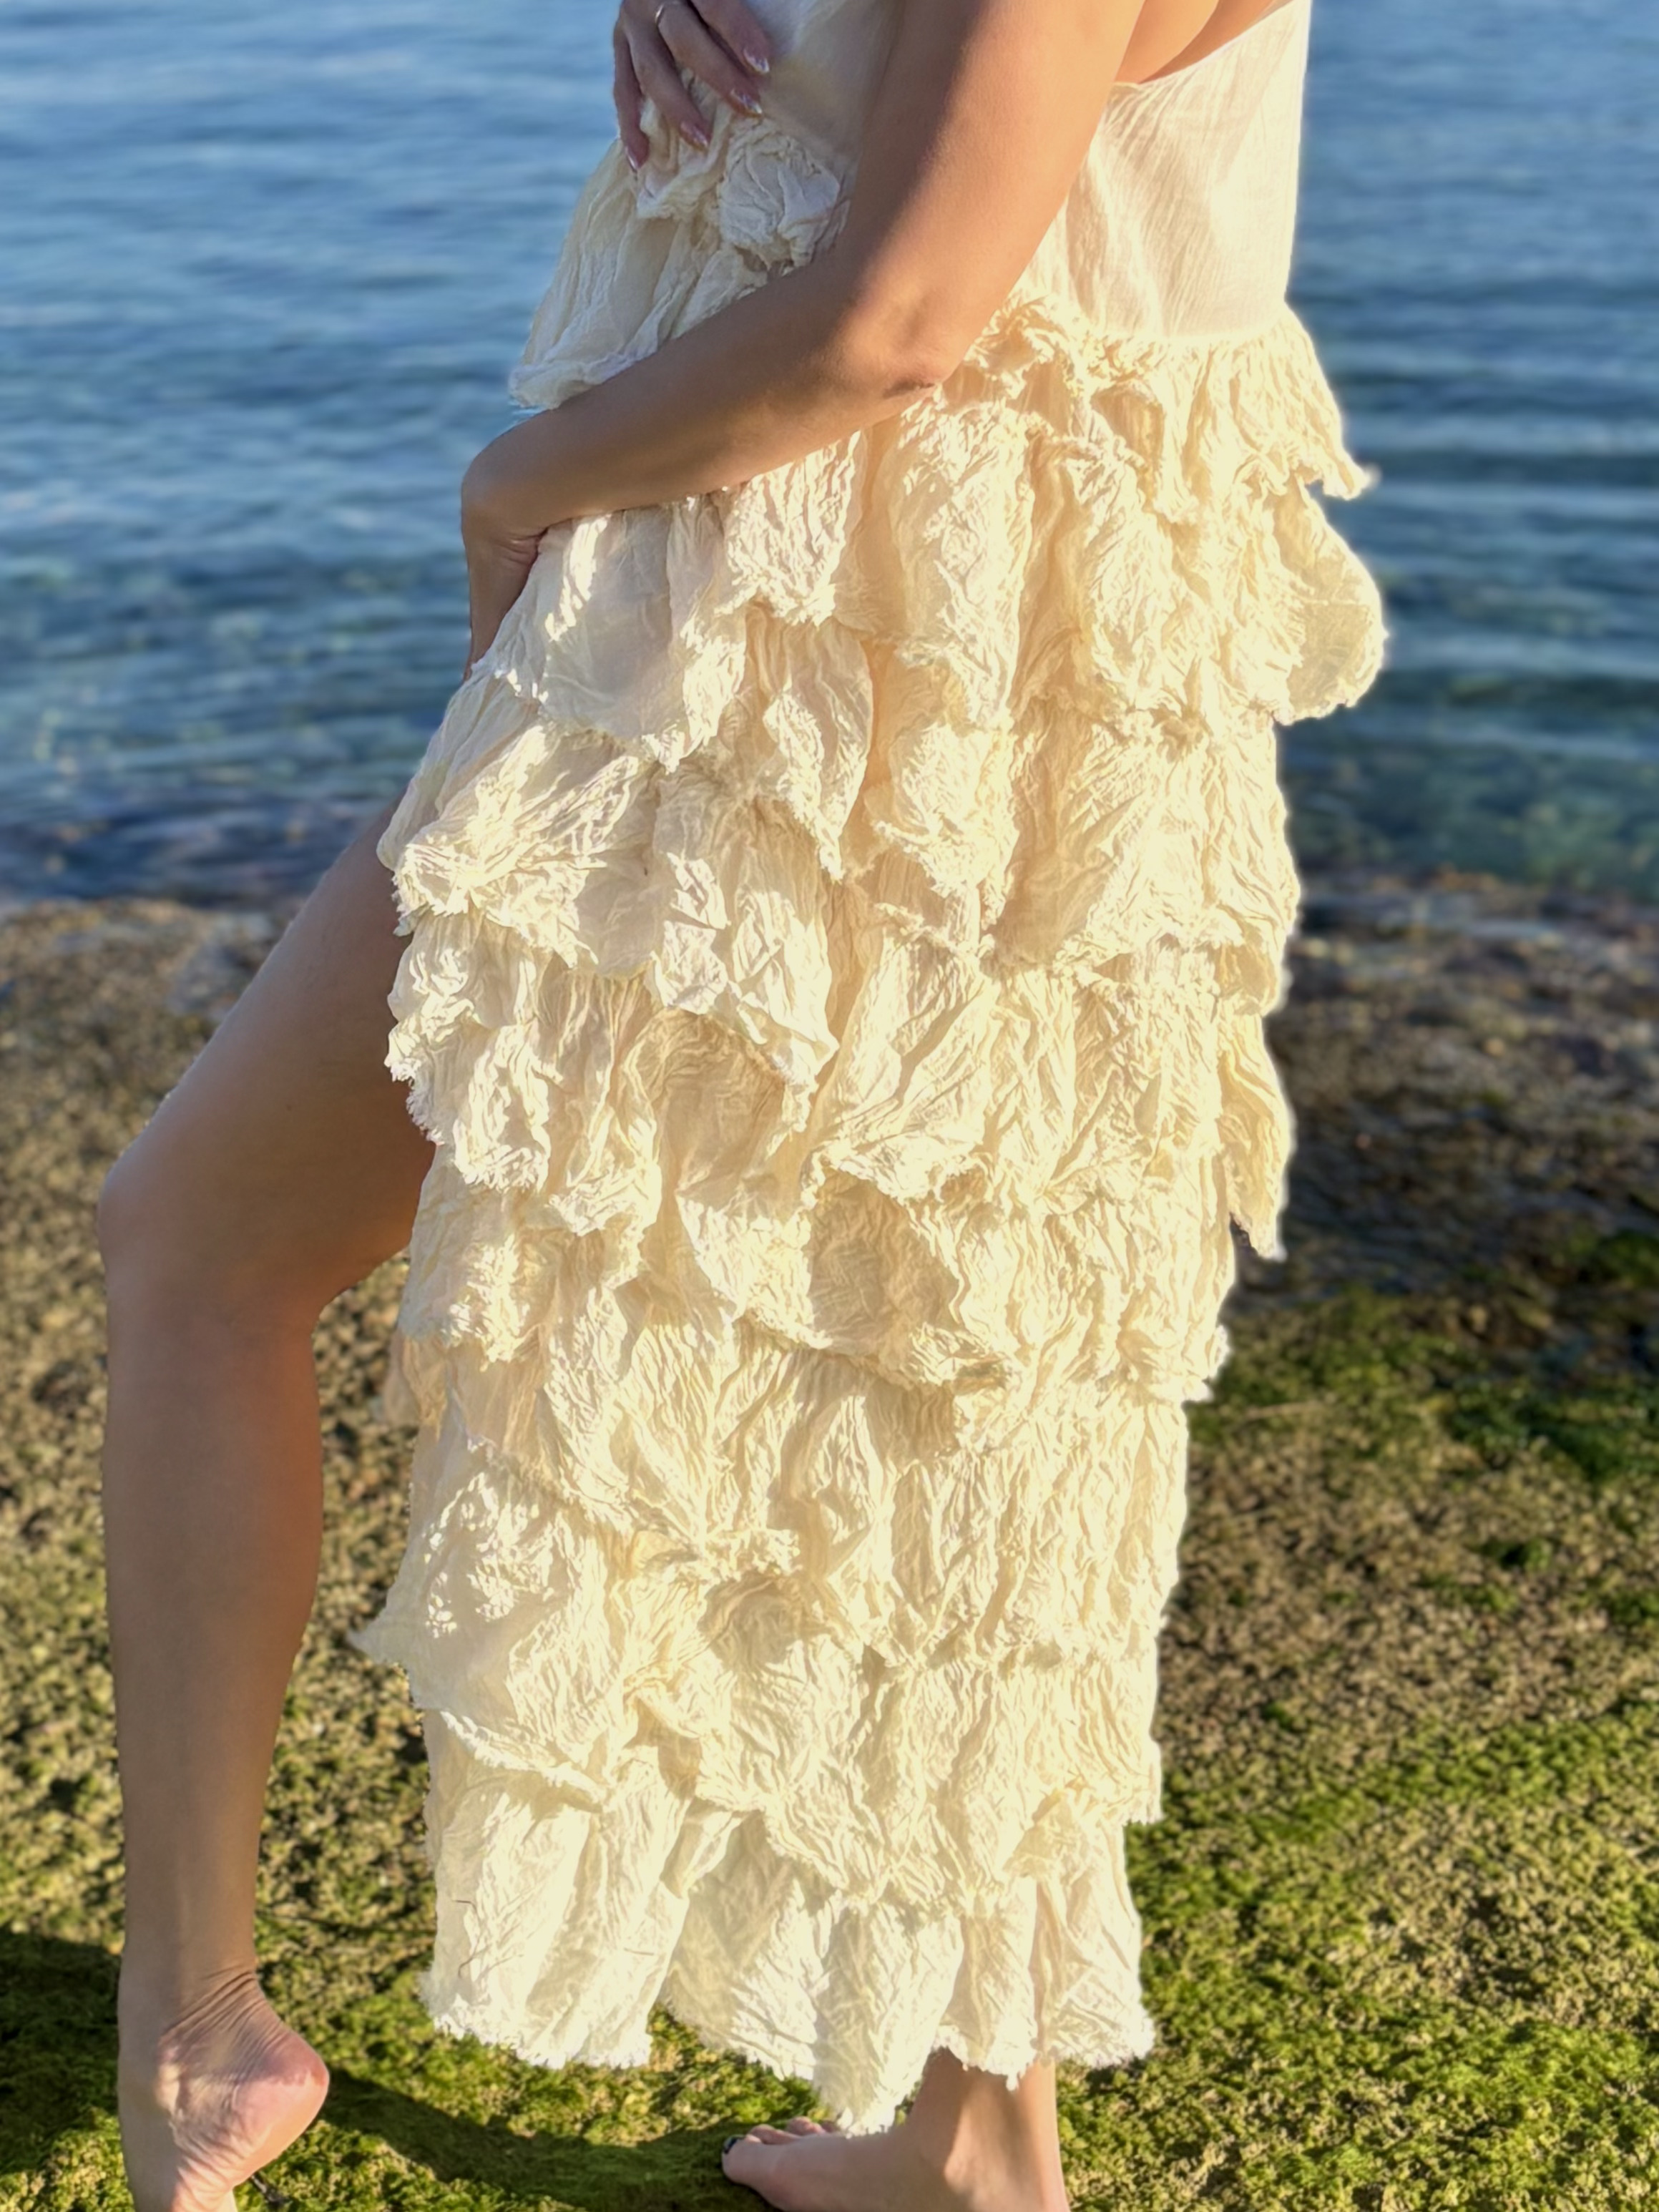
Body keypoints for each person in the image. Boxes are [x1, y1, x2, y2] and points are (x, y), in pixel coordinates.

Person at [97, 0, 1384, 2206]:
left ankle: (199, 2029)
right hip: (974, 665)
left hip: (803, 651)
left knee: (207, 1238)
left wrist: (514, 483)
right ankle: (974, 2140)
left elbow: (902, 312)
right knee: (964, 1376)